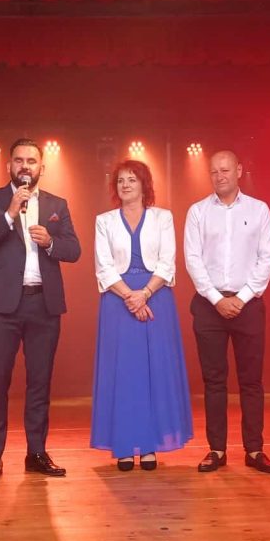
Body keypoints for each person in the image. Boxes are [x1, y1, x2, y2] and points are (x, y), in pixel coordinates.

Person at [0, 138, 81, 484]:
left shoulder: (57, 204)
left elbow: (74, 250)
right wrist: (9, 213)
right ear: (9, 166)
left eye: (31, 161)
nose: (25, 166)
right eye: (19, 160)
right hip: (1, 306)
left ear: (42, 167)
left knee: (40, 383)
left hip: (43, 304)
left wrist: (51, 243)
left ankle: (36, 453)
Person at [90, 159, 193, 471]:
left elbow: (167, 262)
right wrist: (130, 297)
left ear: (144, 185)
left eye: (132, 180)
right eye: (121, 180)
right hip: (117, 302)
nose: (125, 185)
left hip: (156, 298)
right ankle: (124, 446)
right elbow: (104, 267)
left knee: (154, 373)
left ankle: (149, 447)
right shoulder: (104, 221)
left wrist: (144, 294)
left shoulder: (163, 217)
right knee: (123, 374)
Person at [183, 150, 270, 474]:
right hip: (209, 306)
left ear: (238, 170)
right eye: (214, 171)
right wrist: (216, 299)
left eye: (225, 170)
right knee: (214, 381)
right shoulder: (197, 212)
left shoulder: (259, 209)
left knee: (251, 381)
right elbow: (192, 260)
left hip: (248, 305)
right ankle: (216, 450)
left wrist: (243, 297)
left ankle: (254, 450)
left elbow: (267, 258)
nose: (219, 176)